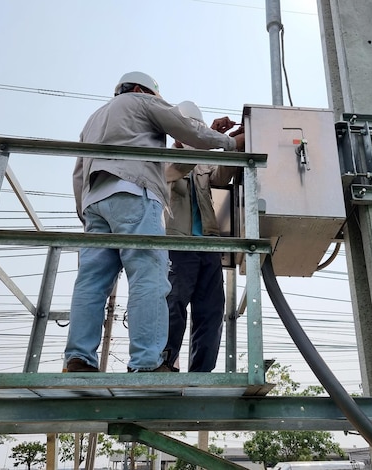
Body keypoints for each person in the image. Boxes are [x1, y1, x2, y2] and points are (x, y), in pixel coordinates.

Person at [65, 72, 245, 373]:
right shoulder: (142, 104)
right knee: (149, 277)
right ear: (139, 89)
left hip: (96, 201)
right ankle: (148, 363)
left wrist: (86, 212)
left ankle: (79, 357)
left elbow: (79, 173)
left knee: (92, 281)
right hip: (136, 196)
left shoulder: (94, 120)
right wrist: (226, 141)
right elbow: (186, 137)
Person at [164, 101, 243, 372]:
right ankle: (163, 363)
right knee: (173, 303)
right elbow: (179, 166)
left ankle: (202, 372)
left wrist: (234, 142)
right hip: (176, 243)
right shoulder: (164, 160)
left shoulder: (203, 163)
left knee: (210, 312)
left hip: (208, 244)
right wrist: (210, 138)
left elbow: (222, 177)